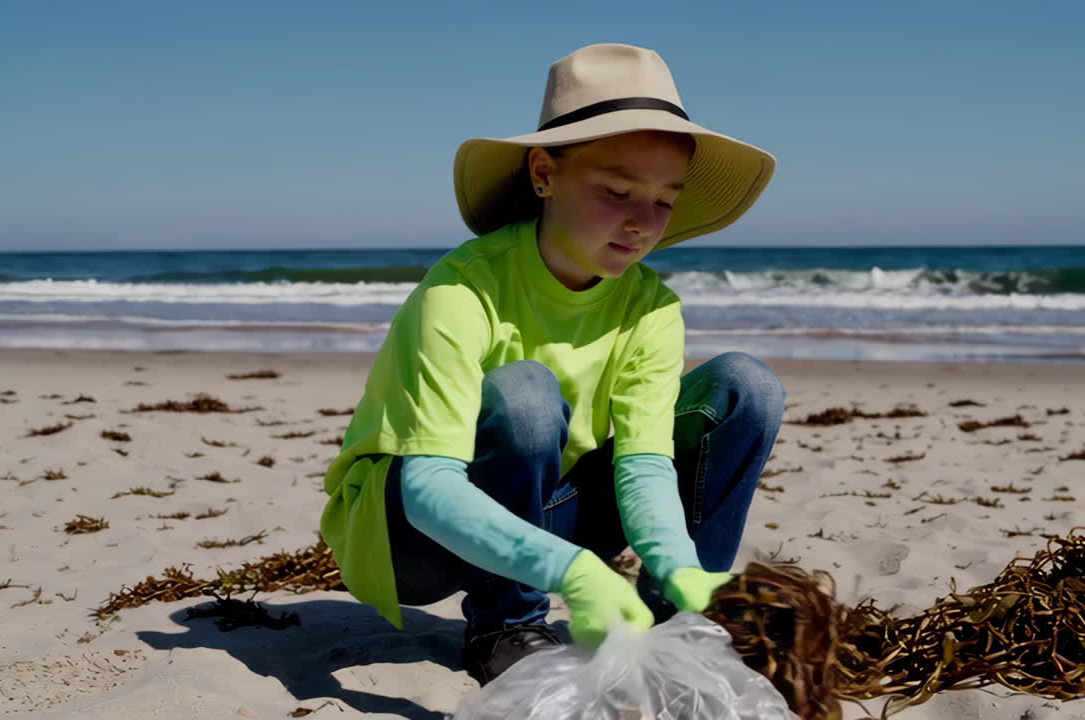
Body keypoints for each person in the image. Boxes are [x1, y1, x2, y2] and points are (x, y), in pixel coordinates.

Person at [319, 42, 785, 686]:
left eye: (663, 200)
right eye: (617, 190)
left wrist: (675, 564)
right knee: (526, 394)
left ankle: (675, 621)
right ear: (544, 173)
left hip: (548, 509)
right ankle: (506, 622)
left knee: (745, 386)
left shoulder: (651, 307)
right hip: (413, 541)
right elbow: (429, 490)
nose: (641, 223)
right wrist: (574, 572)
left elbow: (644, 465)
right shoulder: (462, 289)